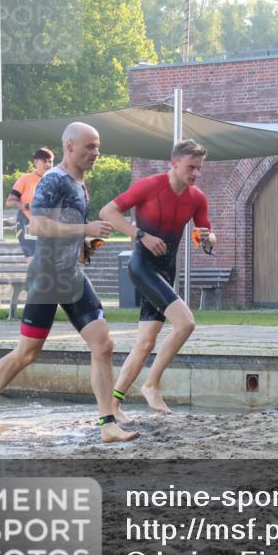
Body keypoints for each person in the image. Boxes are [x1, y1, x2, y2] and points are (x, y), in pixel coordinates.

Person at [0, 123, 140, 447]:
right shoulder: (53, 180)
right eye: (89, 146)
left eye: (98, 146)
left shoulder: (81, 185)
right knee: (28, 353)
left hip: (71, 274)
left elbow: (67, 228)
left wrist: (84, 248)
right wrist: (85, 228)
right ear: (70, 147)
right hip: (47, 277)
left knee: (103, 344)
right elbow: (38, 227)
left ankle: (107, 423)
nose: (96, 153)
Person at [99, 139, 215, 416]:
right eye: (191, 167)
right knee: (186, 323)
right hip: (142, 266)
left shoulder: (197, 197)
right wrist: (140, 234)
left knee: (146, 342)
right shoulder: (149, 186)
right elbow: (107, 212)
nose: (195, 173)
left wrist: (208, 239)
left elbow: (205, 232)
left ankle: (113, 406)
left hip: (166, 271)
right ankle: (151, 384)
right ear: (174, 163)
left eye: (199, 168)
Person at [7, 148, 54, 258]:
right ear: (36, 162)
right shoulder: (25, 179)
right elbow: (10, 202)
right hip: (26, 224)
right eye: (44, 161)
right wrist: (27, 206)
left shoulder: (55, 181)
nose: (48, 164)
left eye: (50, 161)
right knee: (34, 264)